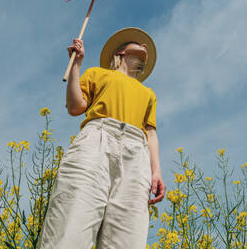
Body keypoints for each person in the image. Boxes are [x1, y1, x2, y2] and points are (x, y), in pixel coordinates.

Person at [38, 27, 166, 249]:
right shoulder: (98, 74)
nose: (144, 45)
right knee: (72, 220)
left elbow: (151, 133)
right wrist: (76, 64)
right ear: (121, 52)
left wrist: (156, 171)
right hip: (97, 138)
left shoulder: (149, 94)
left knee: (129, 235)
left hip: (136, 152)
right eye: (137, 42)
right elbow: (75, 107)